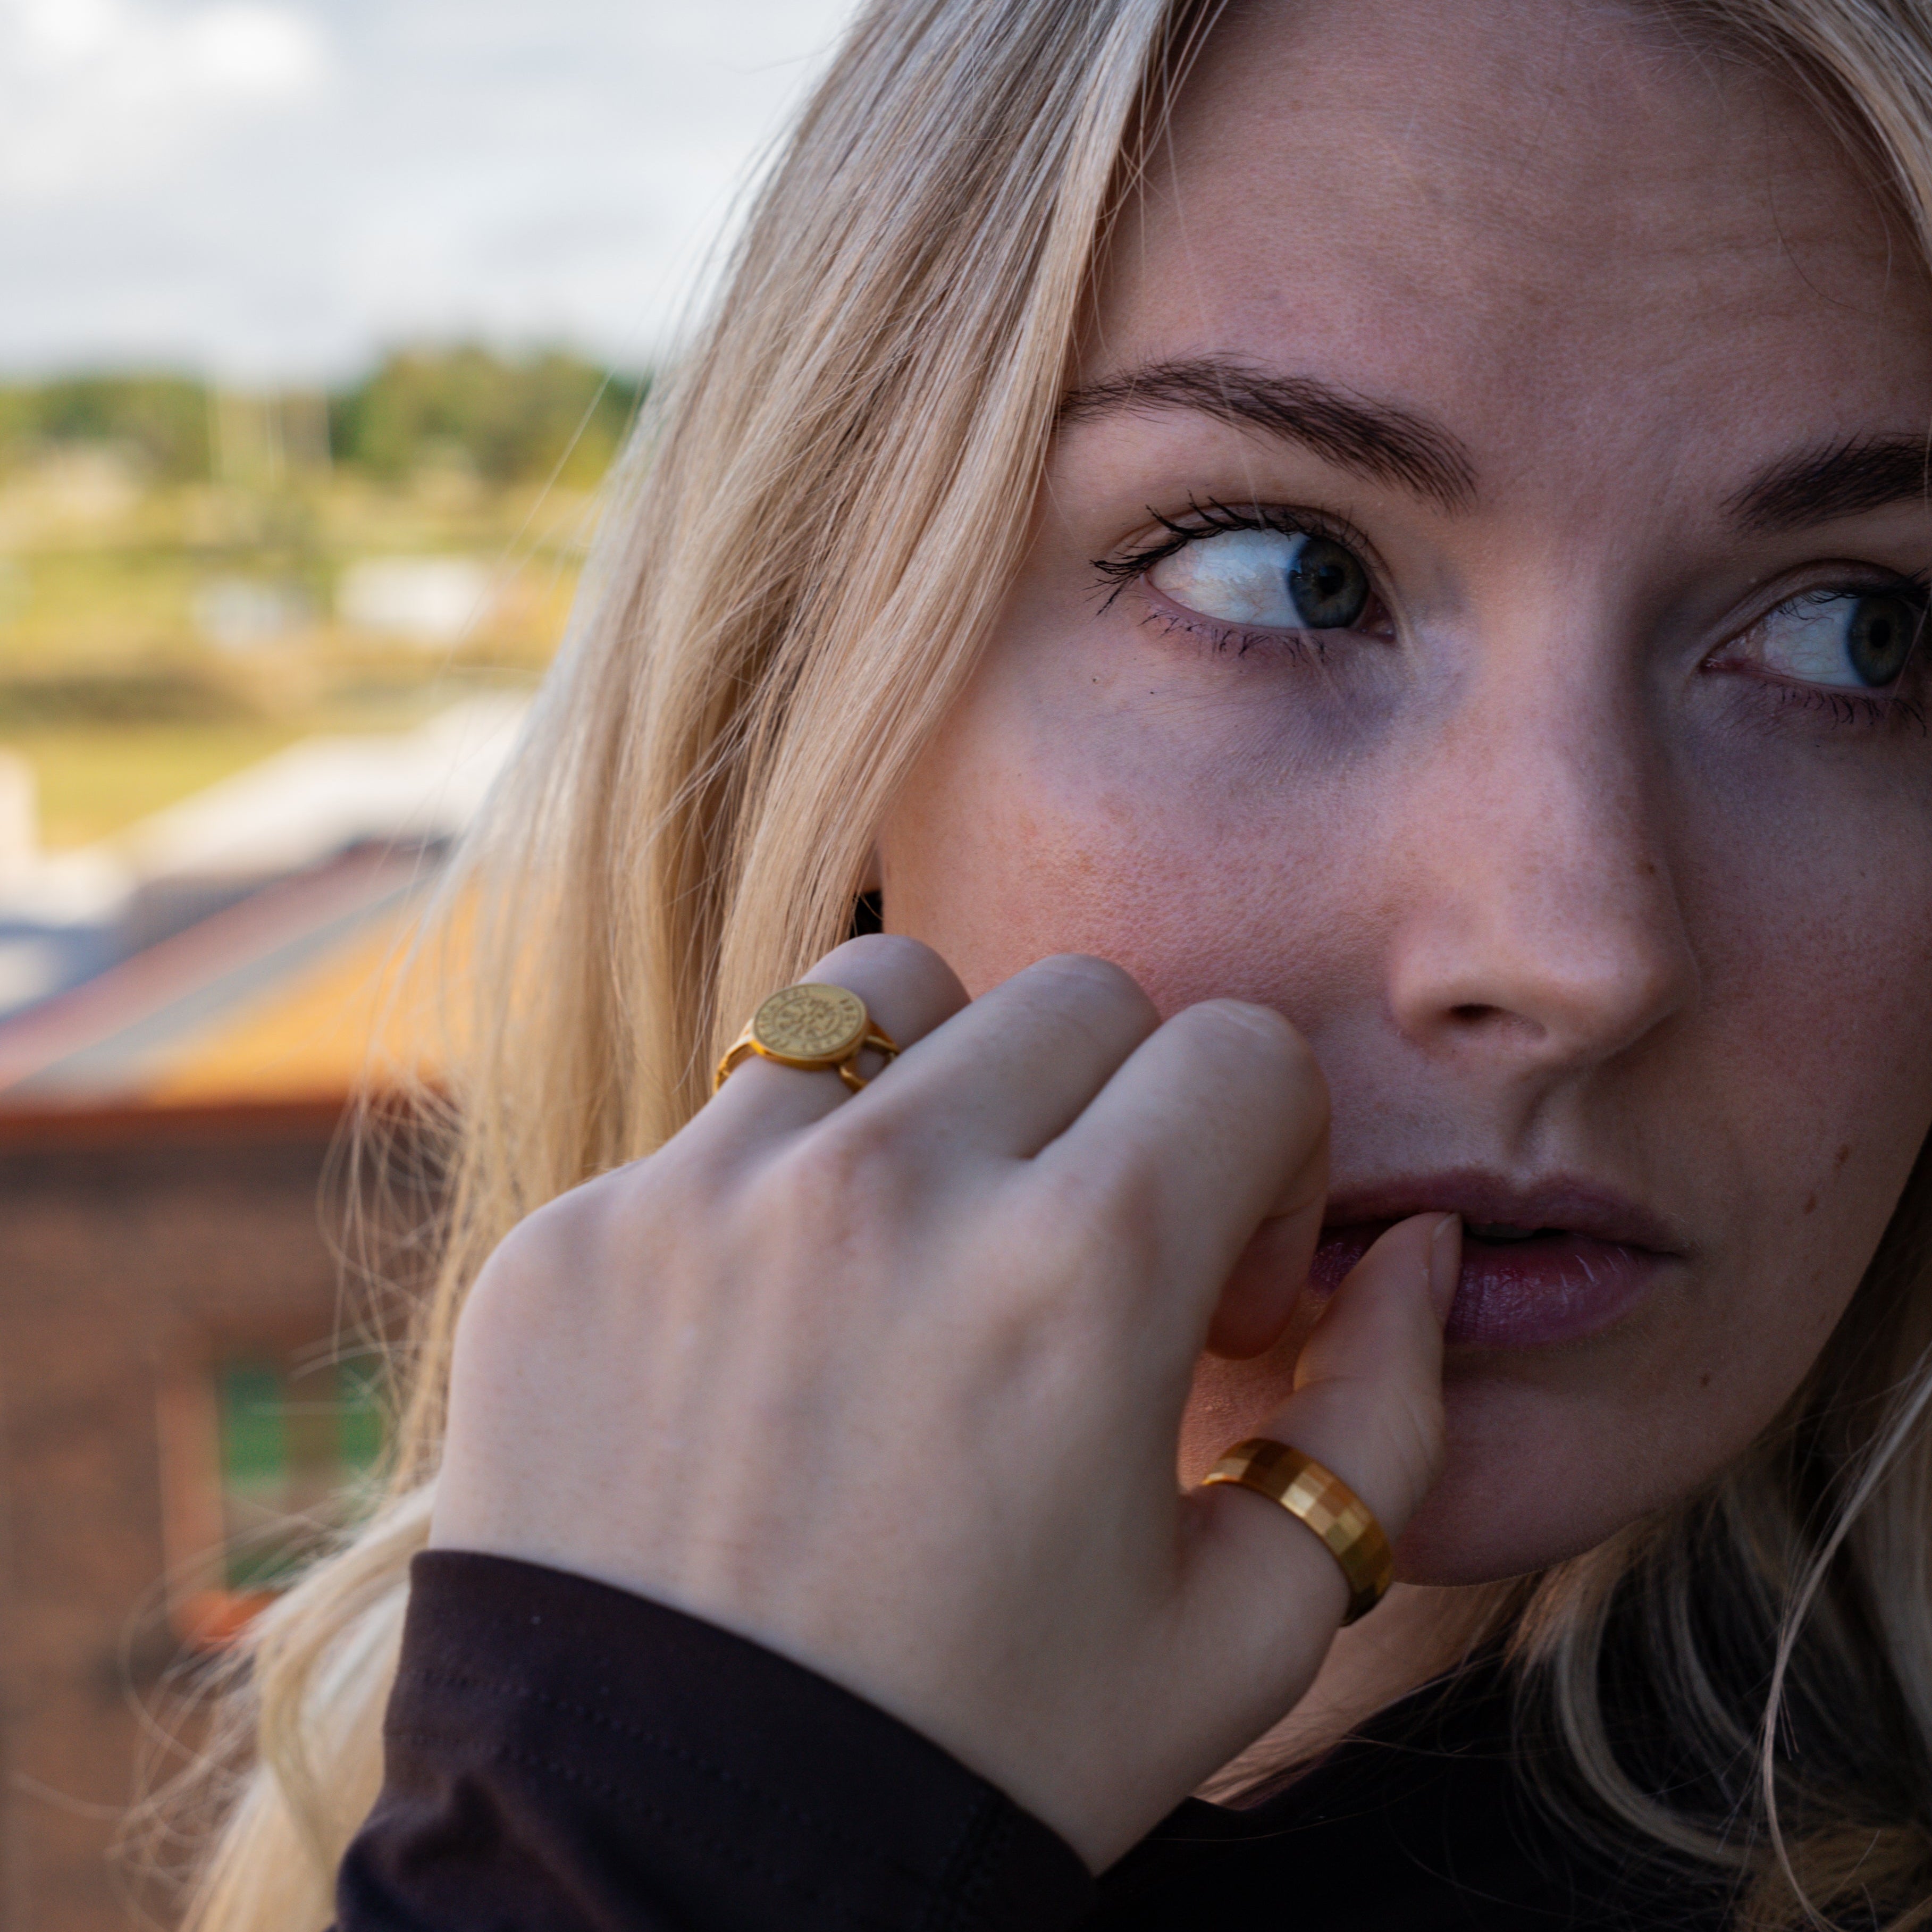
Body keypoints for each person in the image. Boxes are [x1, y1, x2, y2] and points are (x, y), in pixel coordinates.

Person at [174, 0, 1932, 1926]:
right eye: (1282, 570)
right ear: (821, 683)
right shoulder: (405, 1752)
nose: (1577, 949)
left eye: (1859, 631)